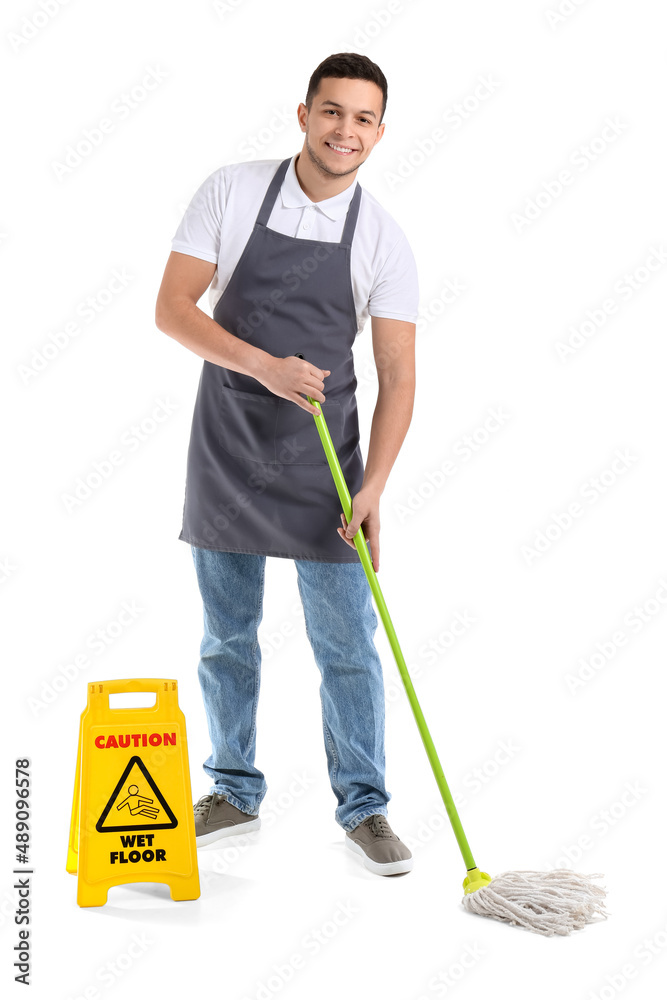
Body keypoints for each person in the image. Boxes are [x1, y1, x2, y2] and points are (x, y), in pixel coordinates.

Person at [155, 52, 418, 877]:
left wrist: (373, 486)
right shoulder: (231, 191)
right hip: (228, 447)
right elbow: (171, 310)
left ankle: (364, 807)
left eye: (363, 119)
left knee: (347, 643)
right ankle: (232, 788)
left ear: (379, 133)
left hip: (325, 467)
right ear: (303, 115)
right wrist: (263, 365)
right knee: (226, 636)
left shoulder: (383, 237)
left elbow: (399, 375)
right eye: (332, 112)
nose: (346, 131)